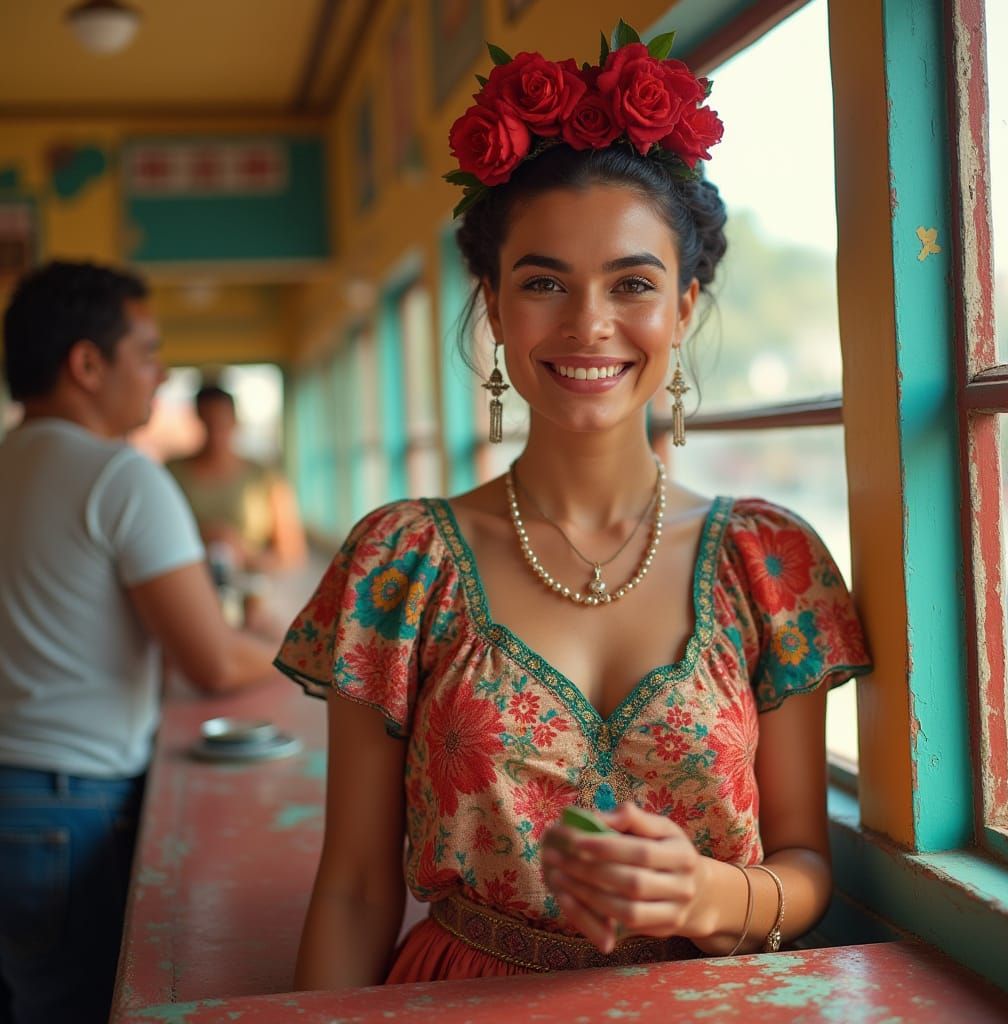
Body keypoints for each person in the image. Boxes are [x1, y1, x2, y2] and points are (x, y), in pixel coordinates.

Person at [275, 26, 871, 988]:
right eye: (543, 281)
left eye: (632, 284)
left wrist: (706, 898)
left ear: (683, 307)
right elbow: (352, 886)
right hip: (460, 996)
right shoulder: (400, 561)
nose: (588, 324)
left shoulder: (770, 561)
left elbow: (804, 864)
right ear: (496, 305)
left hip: (710, 1000)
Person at [0, 261, 283, 1024]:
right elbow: (214, 661)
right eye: (149, 353)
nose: (159, 378)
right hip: (70, 804)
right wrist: (299, 650)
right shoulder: (119, 477)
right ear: (87, 364)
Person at [167, 384, 307, 579]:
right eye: (209, 423)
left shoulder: (265, 477)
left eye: (221, 422)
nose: (216, 432)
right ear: (197, 420)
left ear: (235, 420)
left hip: (251, 586)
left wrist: (244, 553)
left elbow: (291, 554)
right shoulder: (172, 472)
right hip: (188, 580)